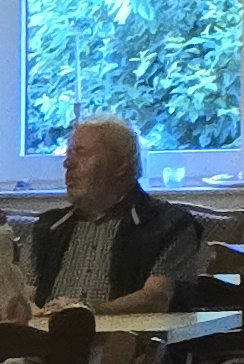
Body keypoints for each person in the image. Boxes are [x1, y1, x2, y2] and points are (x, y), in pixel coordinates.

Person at [30, 119, 204, 313]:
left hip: (128, 332)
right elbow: (22, 294)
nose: (68, 163)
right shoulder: (49, 226)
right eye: (68, 154)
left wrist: (84, 313)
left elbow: (156, 298)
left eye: (82, 153)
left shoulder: (168, 225)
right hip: (47, 330)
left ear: (121, 164)